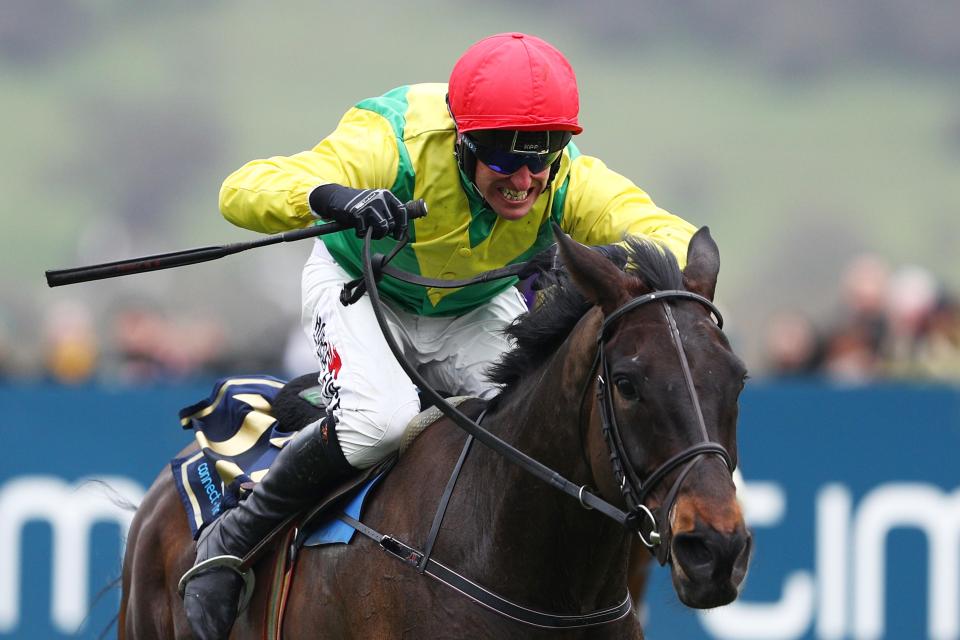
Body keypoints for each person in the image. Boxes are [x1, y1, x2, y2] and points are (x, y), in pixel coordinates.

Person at [179, 32, 698, 638]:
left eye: (543, 155)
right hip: (362, 289)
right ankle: (231, 541)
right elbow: (240, 190)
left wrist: (643, 263)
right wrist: (334, 196)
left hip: (473, 306)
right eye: (504, 157)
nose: (526, 179)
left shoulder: (568, 179)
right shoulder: (391, 140)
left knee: (533, 431)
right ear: (464, 138)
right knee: (380, 423)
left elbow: (677, 238)